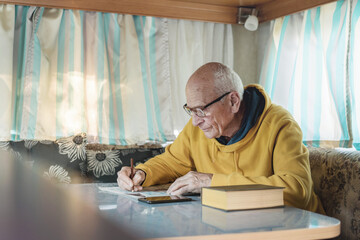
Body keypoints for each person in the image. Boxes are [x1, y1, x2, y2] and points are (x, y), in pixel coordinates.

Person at [117, 62, 324, 213]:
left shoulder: (280, 125)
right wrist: (143, 173)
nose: (196, 121)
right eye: (191, 111)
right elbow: (173, 161)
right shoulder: (199, 127)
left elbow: (296, 192)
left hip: (290, 229)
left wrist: (211, 182)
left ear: (233, 101)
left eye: (201, 110)